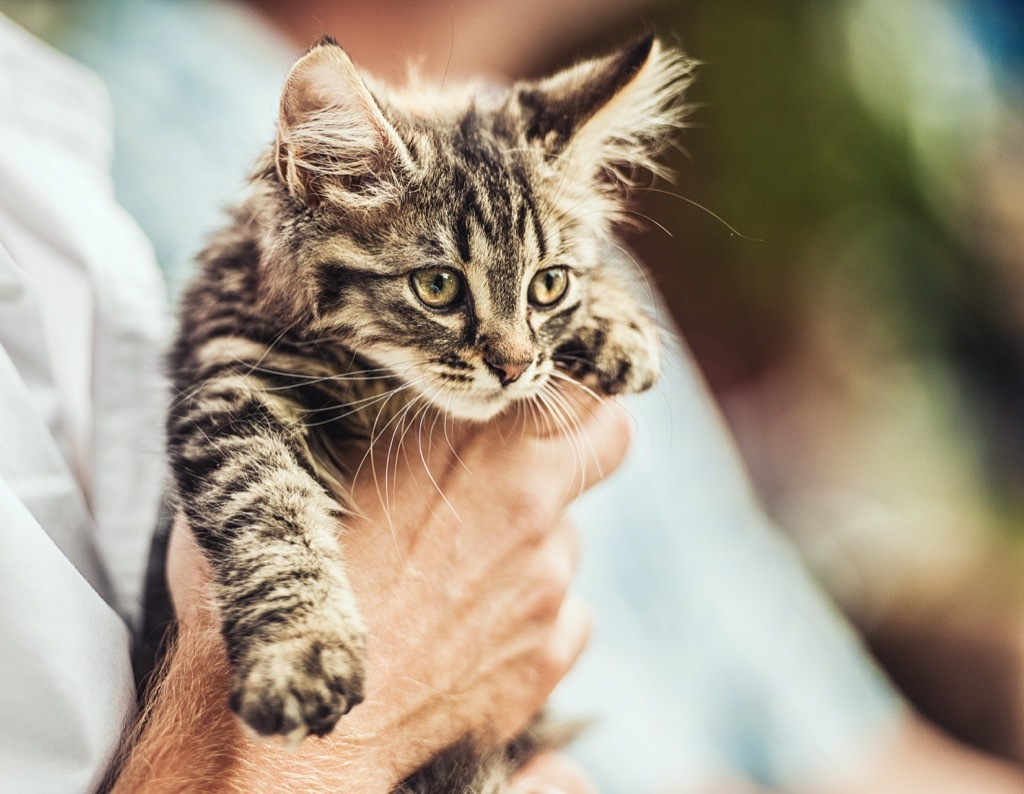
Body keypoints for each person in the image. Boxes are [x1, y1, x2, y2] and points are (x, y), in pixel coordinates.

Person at [4, 2, 1024, 792]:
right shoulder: (149, 174)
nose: (508, 350)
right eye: (448, 289)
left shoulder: (538, 195)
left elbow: (838, 736)